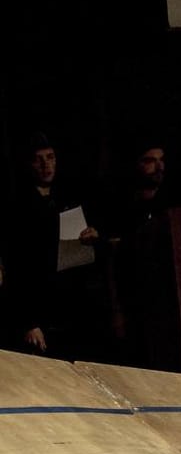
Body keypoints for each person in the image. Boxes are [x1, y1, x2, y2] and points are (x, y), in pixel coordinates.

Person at [1, 131, 113, 362]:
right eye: (39, 159)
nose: (45, 164)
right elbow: (17, 268)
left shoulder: (68, 196)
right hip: (41, 308)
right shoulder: (18, 206)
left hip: (75, 305)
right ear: (29, 163)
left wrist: (95, 237)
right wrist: (29, 322)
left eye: (50, 157)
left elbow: (96, 250)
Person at [105, 138, 181, 371]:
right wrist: (117, 311)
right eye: (151, 161)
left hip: (172, 303)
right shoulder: (123, 206)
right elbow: (114, 260)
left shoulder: (173, 202)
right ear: (137, 165)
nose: (159, 167)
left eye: (162, 160)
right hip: (136, 304)